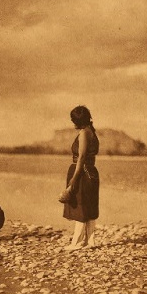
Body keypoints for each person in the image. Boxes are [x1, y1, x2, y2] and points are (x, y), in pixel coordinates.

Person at [62, 105, 100, 250]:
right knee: (89, 207)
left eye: (74, 121)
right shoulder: (92, 132)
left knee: (80, 207)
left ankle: (76, 243)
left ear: (78, 121)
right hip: (91, 171)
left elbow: (82, 157)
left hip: (82, 172)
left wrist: (74, 178)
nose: (73, 123)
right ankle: (90, 241)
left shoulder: (84, 133)